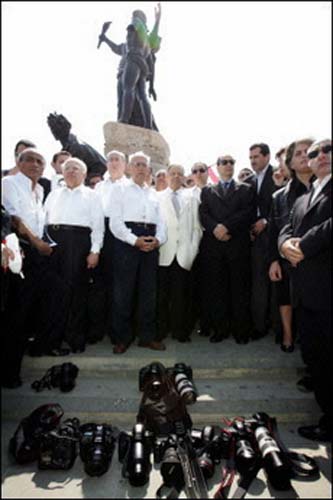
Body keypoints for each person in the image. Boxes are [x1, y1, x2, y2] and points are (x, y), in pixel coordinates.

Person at [2, 148, 70, 388]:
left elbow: (40, 222)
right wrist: (37, 243)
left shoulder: (40, 189)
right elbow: (15, 220)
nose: (34, 164)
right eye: (28, 159)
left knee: (57, 293)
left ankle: (41, 345)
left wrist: (47, 243)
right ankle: (9, 373)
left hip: (39, 254)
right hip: (21, 252)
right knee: (18, 312)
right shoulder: (9, 183)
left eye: (39, 161)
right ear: (18, 163)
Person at [278, 139, 331, 442]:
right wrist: (285, 245)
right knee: (316, 358)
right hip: (308, 295)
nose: (321, 156)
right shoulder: (303, 197)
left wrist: (304, 245)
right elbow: (286, 226)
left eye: (327, 150)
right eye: (314, 154)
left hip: (328, 292)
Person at [44, 157, 104, 353]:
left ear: (84, 174)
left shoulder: (92, 196)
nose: (71, 171)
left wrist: (95, 251)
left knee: (77, 293)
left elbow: (97, 227)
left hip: (79, 243)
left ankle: (75, 339)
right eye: (67, 168)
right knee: (54, 293)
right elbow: (43, 220)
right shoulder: (53, 194)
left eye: (75, 168)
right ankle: (53, 340)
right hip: (53, 242)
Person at [109, 151, 167, 354]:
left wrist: (158, 239)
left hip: (150, 243)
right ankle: (122, 338)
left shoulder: (153, 193)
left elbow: (161, 222)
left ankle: (147, 337)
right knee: (123, 294)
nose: (141, 168)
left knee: (148, 294)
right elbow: (115, 223)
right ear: (129, 168)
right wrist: (135, 241)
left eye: (144, 165)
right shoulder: (119, 189)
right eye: (137, 164)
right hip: (127, 243)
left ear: (149, 169)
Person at [199, 154, 255, 344]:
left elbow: (247, 213)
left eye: (232, 162)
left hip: (237, 245)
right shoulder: (207, 191)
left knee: (239, 290)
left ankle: (241, 331)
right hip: (215, 247)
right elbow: (203, 214)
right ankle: (220, 330)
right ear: (218, 166)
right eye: (224, 162)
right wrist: (216, 228)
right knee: (217, 290)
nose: (228, 165)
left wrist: (227, 227)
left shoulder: (246, 189)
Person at [268, 138, 314, 353]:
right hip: (288, 260)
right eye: (299, 153)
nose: (305, 155)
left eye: (309, 151)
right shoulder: (280, 196)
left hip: (319, 260)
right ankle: (288, 335)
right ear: (290, 164)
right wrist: (274, 260)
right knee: (288, 298)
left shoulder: (325, 187)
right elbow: (275, 230)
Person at [156, 164, 202, 342]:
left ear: (184, 177)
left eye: (179, 174)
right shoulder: (156, 197)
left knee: (181, 296)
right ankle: (161, 331)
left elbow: (197, 228)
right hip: (163, 252)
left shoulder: (191, 198)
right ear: (166, 176)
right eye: (172, 173)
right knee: (161, 296)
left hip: (184, 254)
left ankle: (180, 331)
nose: (176, 176)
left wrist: (192, 250)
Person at [98, 4, 162, 130]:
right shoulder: (146, 41)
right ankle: (147, 125)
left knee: (128, 89)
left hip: (132, 60)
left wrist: (133, 28)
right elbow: (118, 48)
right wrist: (105, 39)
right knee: (142, 96)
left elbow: (131, 32)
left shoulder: (136, 26)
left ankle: (124, 120)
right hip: (142, 68)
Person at [244, 143, 280, 340]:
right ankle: (259, 327)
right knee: (259, 284)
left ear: (267, 156)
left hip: (274, 237)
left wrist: (265, 221)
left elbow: (283, 206)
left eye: (256, 156)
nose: (252, 161)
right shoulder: (249, 181)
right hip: (255, 239)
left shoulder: (278, 176)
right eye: (250, 157)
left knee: (276, 284)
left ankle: (278, 328)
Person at [95, 150, 131, 342]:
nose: (114, 163)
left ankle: (121, 332)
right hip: (102, 234)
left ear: (125, 164)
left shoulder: (130, 186)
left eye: (118, 159)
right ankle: (101, 328)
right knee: (102, 285)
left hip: (123, 236)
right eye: (110, 160)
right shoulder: (99, 187)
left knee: (122, 286)